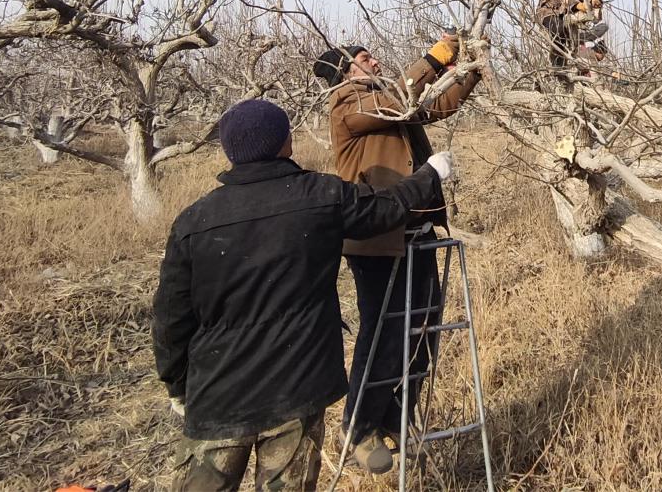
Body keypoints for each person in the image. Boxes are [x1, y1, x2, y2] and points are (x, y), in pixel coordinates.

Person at [152, 98, 454, 492]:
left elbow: (171, 316)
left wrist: (177, 384)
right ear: (286, 143)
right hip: (296, 388)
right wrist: (429, 174)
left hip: (217, 395)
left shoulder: (195, 220)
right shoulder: (320, 196)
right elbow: (385, 209)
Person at [313, 36, 482, 474]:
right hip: (378, 240)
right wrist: (431, 59)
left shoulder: (392, 102)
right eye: (364, 59)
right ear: (344, 73)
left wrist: (471, 70)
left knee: (422, 333)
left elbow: (432, 108)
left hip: (419, 231)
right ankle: (359, 426)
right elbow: (400, 101)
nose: (374, 59)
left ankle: (394, 412)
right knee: (385, 333)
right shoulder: (348, 106)